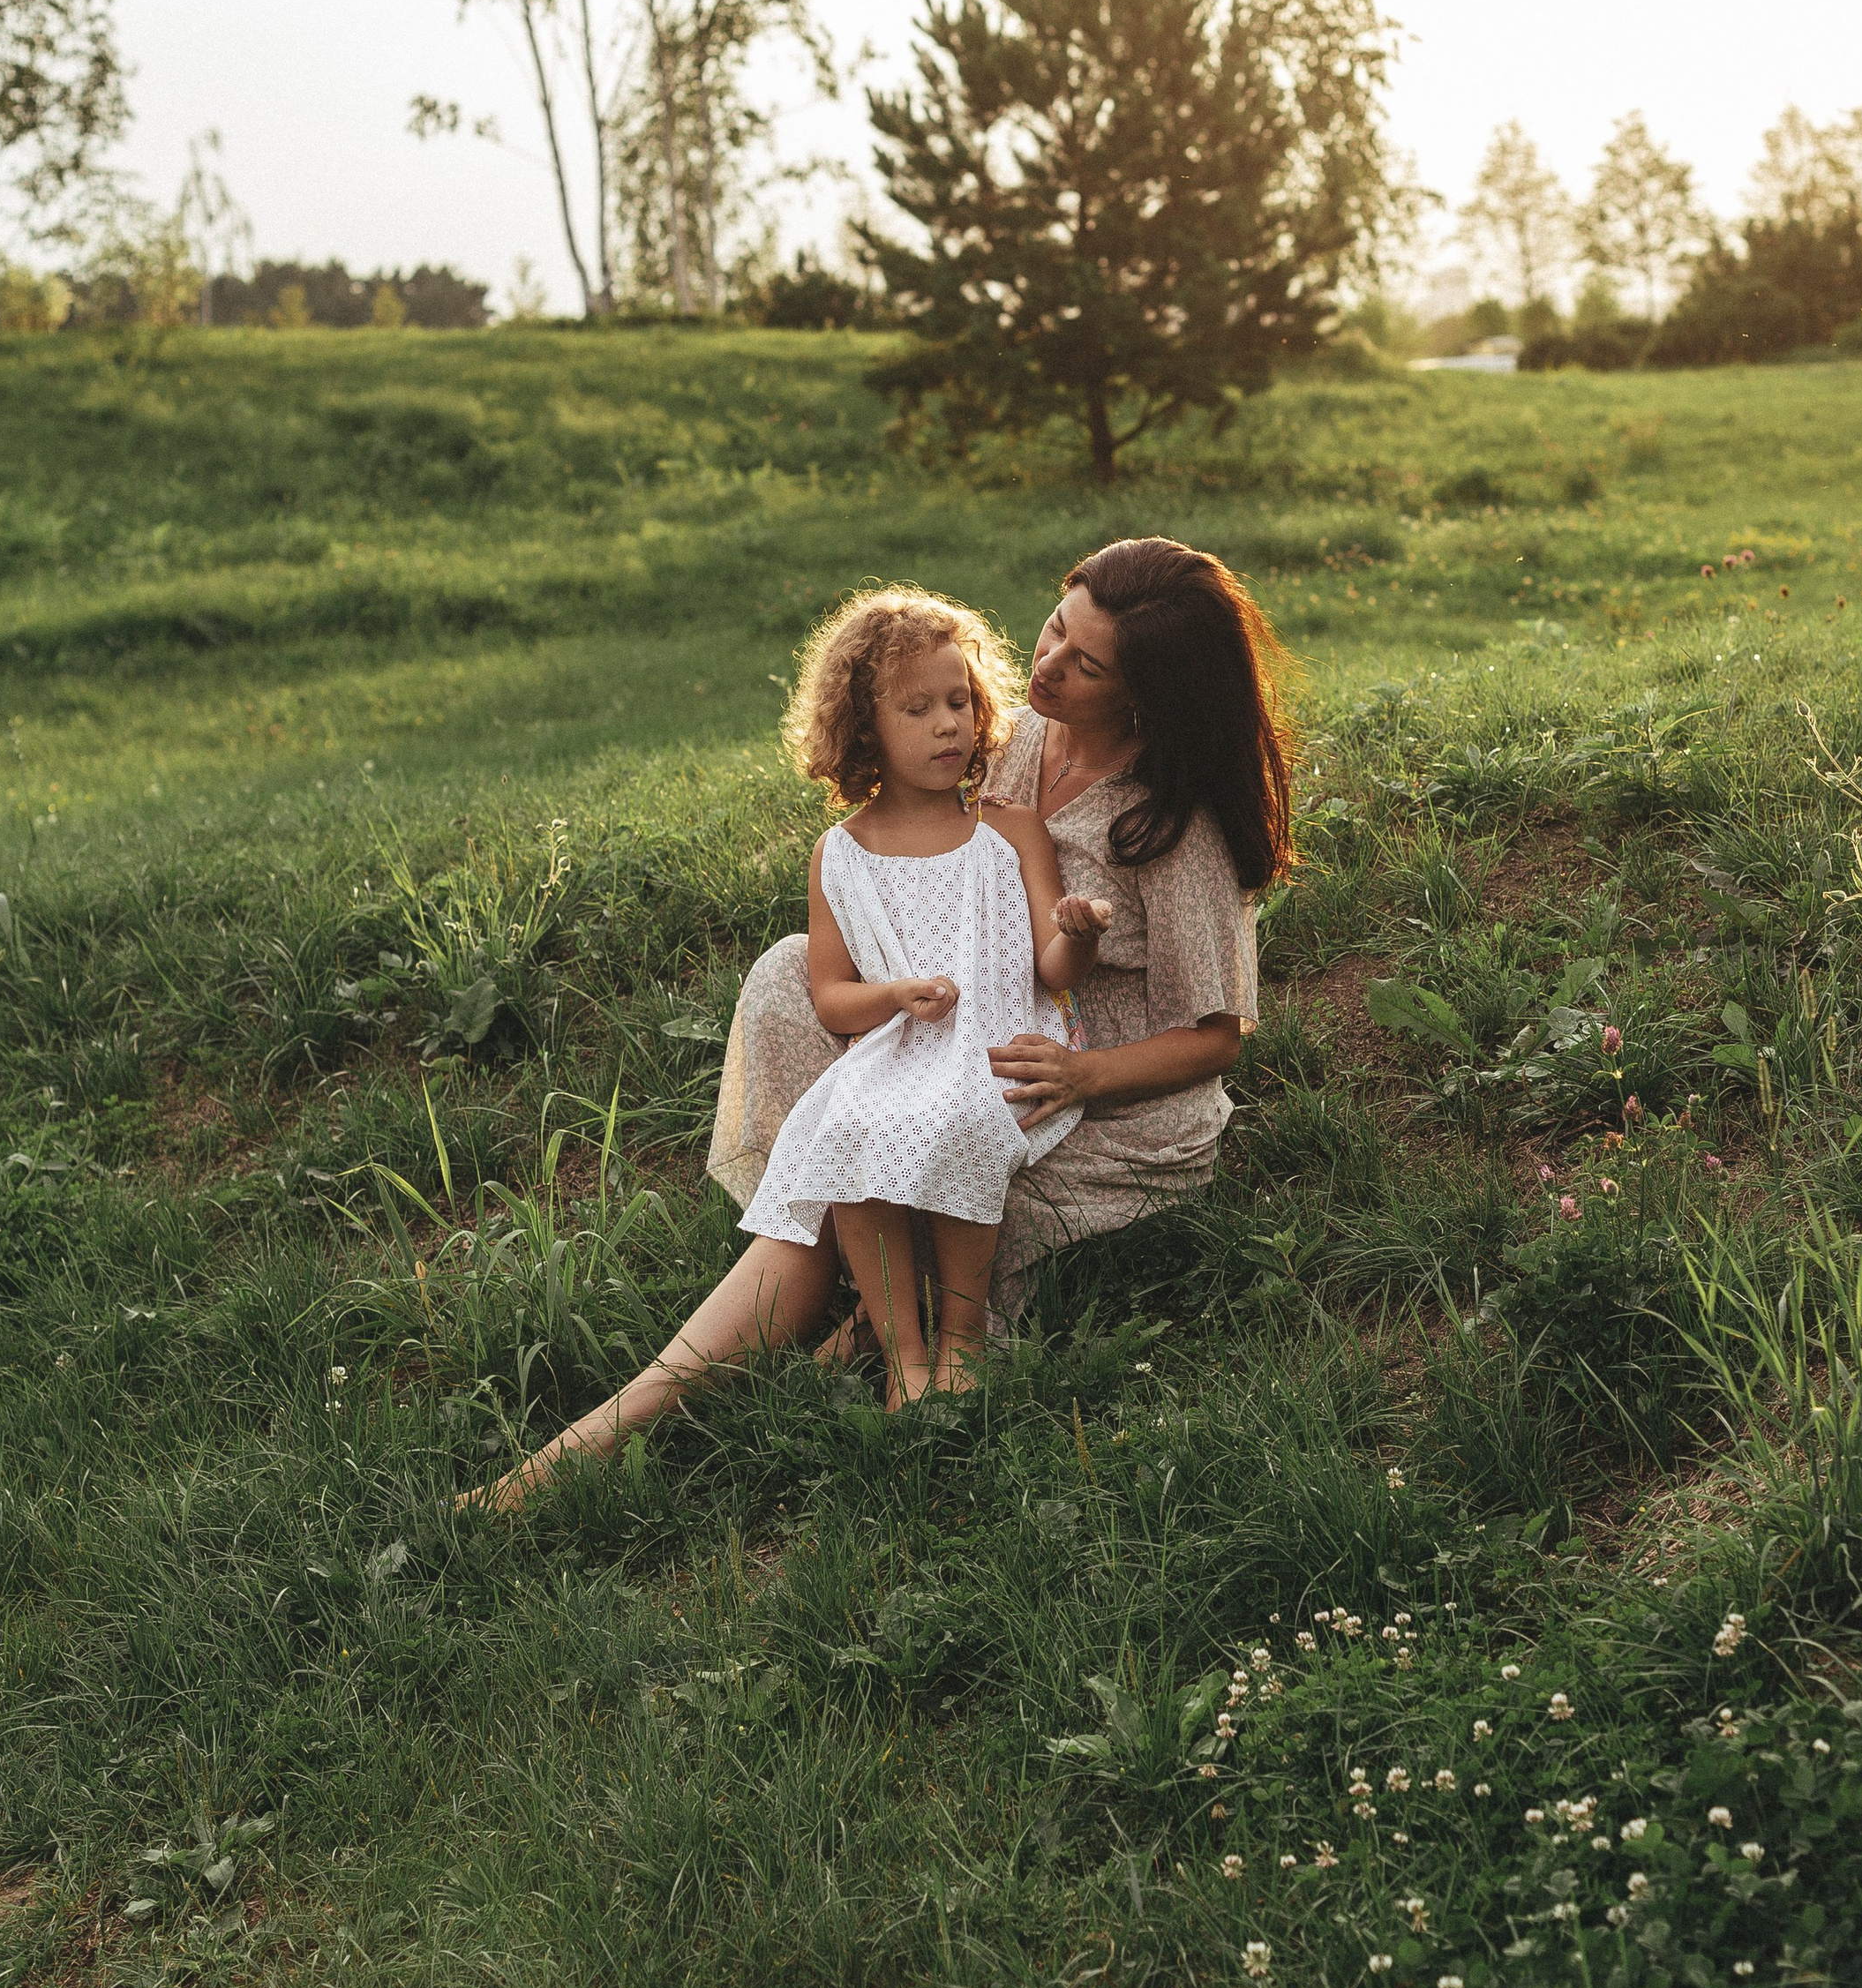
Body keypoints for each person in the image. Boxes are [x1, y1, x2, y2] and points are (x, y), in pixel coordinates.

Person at [470, 536, 1290, 1508]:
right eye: (1054, 628)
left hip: (1097, 1099)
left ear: (1149, 692)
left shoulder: (1171, 820)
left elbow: (1218, 1037)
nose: (1047, 666)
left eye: (1087, 665)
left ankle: (622, 1428)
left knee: (908, 1146)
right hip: (965, 1036)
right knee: (791, 980)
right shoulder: (1022, 734)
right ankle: (860, 1286)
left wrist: (1083, 1075)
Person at [735, 587, 1111, 1401]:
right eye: (918, 710)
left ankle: (961, 1340)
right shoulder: (843, 854)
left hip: (1001, 1045)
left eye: (958, 701)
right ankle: (903, 1354)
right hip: (901, 1049)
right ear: (865, 728)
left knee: (967, 1115)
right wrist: (897, 994)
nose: (948, 725)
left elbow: (1053, 970)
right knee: (850, 1126)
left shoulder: (1009, 831)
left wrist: (1077, 936)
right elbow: (833, 998)